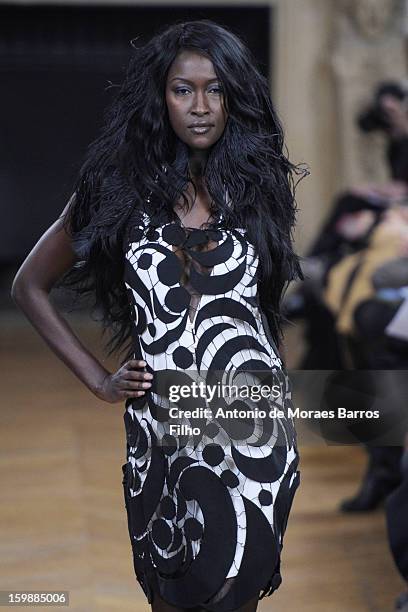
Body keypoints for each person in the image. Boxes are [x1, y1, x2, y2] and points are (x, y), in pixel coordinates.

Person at [11, 20, 304, 612]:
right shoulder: (116, 187)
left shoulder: (257, 184)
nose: (201, 107)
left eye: (215, 89)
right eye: (183, 89)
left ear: (234, 96)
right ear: (159, 97)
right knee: (171, 597)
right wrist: (99, 380)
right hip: (162, 436)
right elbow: (29, 286)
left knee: (235, 598)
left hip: (251, 434)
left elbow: (257, 311)